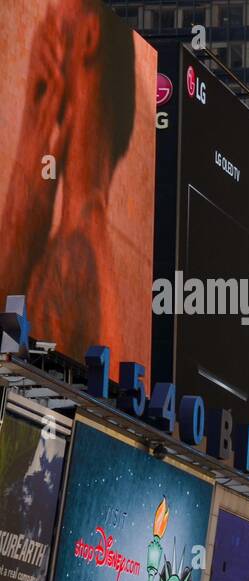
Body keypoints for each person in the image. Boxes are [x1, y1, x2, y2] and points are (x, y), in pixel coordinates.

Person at [0, 0, 138, 363]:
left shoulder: (73, 262)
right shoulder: (83, 244)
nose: (40, 37)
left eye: (52, 20)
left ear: (89, 36)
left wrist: (32, 128)